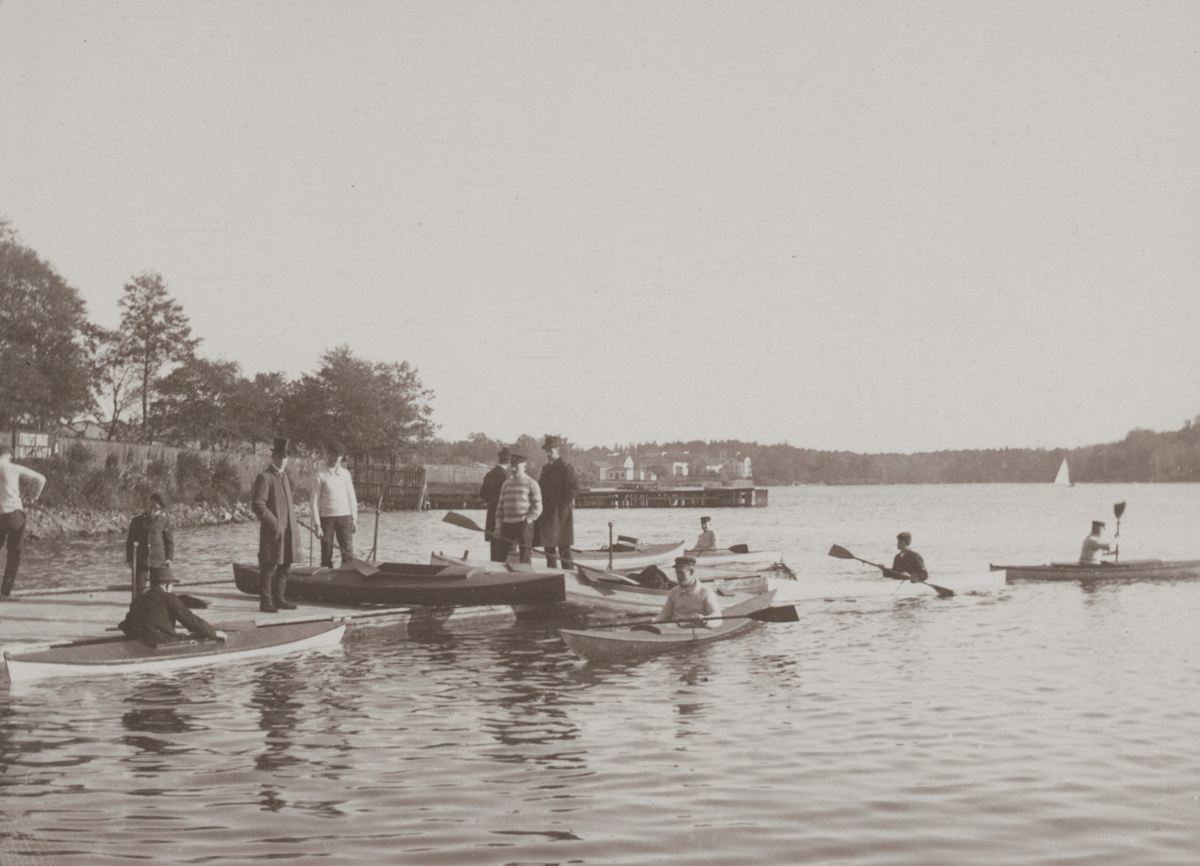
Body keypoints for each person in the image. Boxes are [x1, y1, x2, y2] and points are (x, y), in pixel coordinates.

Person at [252, 437, 301, 612]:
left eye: (285, 457)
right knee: (268, 566)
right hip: (272, 531)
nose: (282, 460)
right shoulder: (265, 477)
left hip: (287, 530)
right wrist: (275, 524)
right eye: (279, 456)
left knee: (285, 564)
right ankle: (266, 602)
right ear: (273, 457)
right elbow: (258, 505)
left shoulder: (283, 476)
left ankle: (279, 599)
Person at [118, 566, 222, 647]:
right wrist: (212, 632)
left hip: (141, 642)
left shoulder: (138, 598)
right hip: (164, 643)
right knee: (196, 635)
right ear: (168, 585)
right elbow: (191, 621)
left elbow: (126, 625)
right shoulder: (169, 597)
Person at [0, 445, 46, 599]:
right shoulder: (14, 468)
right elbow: (41, 478)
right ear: (10, 456)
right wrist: (34, 496)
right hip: (14, 514)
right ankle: (5, 593)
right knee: (14, 554)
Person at [311, 440, 358, 568]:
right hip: (327, 519)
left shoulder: (345, 474)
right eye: (335, 454)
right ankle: (326, 580)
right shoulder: (320, 475)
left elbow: (351, 497)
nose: (338, 458)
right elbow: (314, 502)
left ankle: (348, 578)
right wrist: (317, 525)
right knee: (326, 552)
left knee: (348, 552)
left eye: (340, 455)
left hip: (345, 518)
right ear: (328, 454)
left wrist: (354, 518)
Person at [536, 435, 579, 568]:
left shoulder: (565, 467)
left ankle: (570, 575)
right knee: (549, 547)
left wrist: (562, 505)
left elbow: (573, 488)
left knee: (564, 548)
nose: (549, 454)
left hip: (561, 515)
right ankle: (552, 576)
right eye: (547, 451)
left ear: (557, 451)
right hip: (547, 514)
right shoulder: (545, 468)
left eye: (551, 451)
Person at [494, 452, 541, 564]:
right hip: (507, 525)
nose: (514, 469)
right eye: (512, 466)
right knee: (500, 557)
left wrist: (528, 520)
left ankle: (526, 577)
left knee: (525, 557)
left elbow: (538, 507)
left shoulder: (531, 483)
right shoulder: (506, 484)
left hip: (523, 524)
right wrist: (498, 527)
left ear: (524, 467)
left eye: (517, 467)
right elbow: (500, 507)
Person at [126, 493, 174, 596]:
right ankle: (137, 609)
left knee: (157, 591)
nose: (152, 511)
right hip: (141, 561)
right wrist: (130, 559)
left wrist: (169, 558)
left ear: (160, 511)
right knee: (138, 590)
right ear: (148, 504)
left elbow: (169, 542)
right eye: (150, 507)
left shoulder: (164, 521)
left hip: (158, 561)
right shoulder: (137, 521)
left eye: (156, 509)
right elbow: (130, 541)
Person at [655, 556, 722, 623]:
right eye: (677, 573)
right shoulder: (674, 591)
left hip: (695, 629)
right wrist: (655, 620)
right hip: (674, 628)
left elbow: (717, 617)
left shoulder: (705, 592)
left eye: (681, 573)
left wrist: (704, 620)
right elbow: (665, 613)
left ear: (691, 572)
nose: (678, 576)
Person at [480, 447, 511, 562]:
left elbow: (482, 494)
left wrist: (491, 501)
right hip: (506, 516)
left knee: (494, 548)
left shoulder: (489, 475)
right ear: (509, 462)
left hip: (492, 514)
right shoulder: (508, 476)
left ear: (499, 459)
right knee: (508, 548)